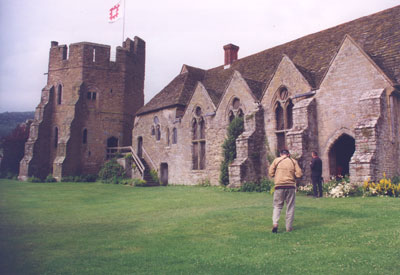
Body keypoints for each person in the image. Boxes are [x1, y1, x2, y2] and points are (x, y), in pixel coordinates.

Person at [268, 149, 302, 233]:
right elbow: (299, 174)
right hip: (290, 186)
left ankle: (275, 223)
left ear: (281, 154)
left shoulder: (276, 160)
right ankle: (288, 227)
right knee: (290, 206)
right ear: (288, 154)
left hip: (279, 186)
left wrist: (275, 175)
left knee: (277, 206)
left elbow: (270, 172)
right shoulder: (293, 161)